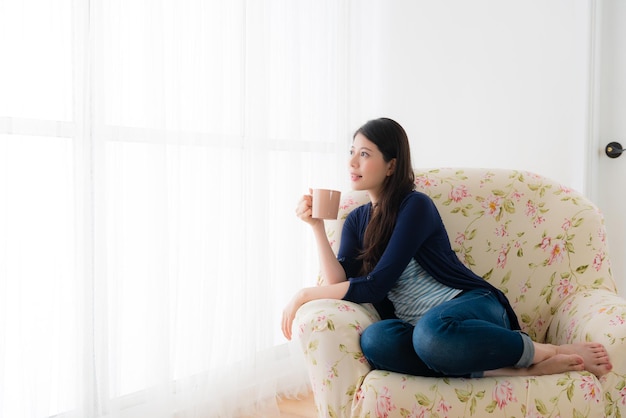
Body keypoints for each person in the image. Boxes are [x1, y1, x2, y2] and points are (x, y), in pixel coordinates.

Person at [281, 117, 612, 379]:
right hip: (423, 331)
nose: (352, 161)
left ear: (391, 165)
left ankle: (546, 352)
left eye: (364, 154)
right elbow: (344, 279)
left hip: (470, 307)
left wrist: (303, 295)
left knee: (431, 335)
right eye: (351, 151)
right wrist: (317, 228)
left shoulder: (415, 206)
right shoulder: (355, 220)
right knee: (376, 340)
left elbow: (377, 284)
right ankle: (510, 370)